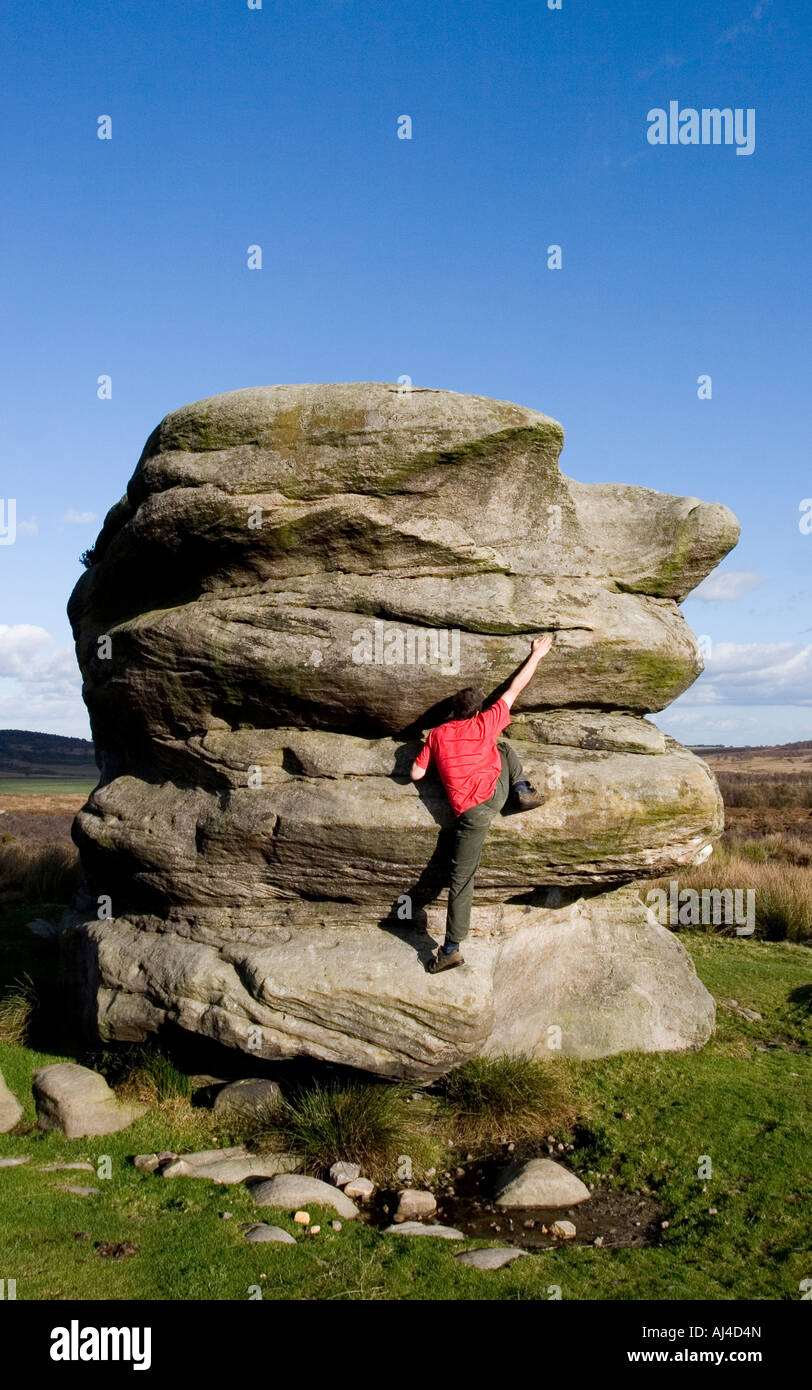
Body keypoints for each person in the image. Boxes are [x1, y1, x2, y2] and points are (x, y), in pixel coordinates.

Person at [410, 635, 554, 973]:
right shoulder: (487, 721)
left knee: (460, 879)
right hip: (497, 794)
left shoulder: (437, 735)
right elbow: (515, 688)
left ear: (453, 712)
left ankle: (450, 950)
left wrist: (435, 762)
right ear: (477, 710)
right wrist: (536, 654)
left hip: (471, 814)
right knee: (502, 748)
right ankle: (521, 787)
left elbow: (416, 774)